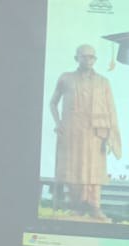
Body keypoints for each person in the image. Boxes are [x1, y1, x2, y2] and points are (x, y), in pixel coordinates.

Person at [49, 44, 121, 220]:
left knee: (94, 170)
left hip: (96, 133)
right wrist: (58, 123)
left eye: (91, 57)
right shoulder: (66, 78)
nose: (88, 60)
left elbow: (111, 110)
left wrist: (111, 135)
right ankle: (77, 207)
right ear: (77, 58)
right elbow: (53, 103)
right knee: (73, 169)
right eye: (84, 56)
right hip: (72, 131)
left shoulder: (103, 82)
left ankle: (94, 207)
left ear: (95, 59)